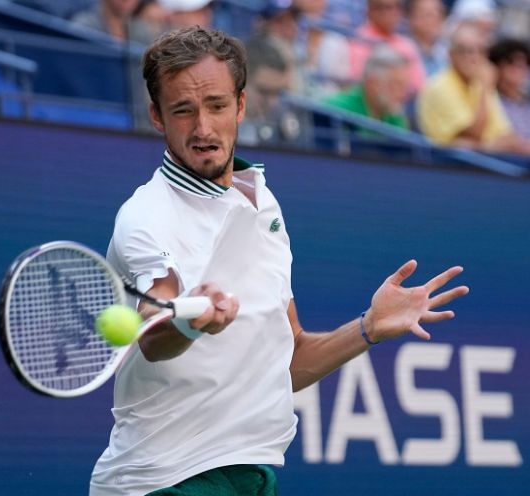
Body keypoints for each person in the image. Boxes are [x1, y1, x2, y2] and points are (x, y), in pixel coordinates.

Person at [90, 26, 469, 496]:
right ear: (157, 116)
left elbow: (288, 362)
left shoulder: (263, 203)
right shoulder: (145, 217)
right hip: (168, 483)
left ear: (241, 106)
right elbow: (155, 323)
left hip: (253, 475)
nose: (203, 128)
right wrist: (190, 322)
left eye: (217, 105)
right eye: (183, 110)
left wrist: (368, 326)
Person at [417, 22, 530, 154]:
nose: (474, 57)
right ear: (451, 54)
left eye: (480, 51)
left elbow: (503, 133)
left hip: (484, 162)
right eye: (466, 51)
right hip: (447, 165)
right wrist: (484, 87)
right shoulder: (440, 86)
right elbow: (470, 136)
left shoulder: (477, 84)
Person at [323, 44, 411, 131]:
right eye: (397, 84)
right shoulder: (338, 111)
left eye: (405, 86)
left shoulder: (395, 118)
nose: (403, 94)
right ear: (373, 84)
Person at [349, 0, 426, 95]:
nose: (390, 12)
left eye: (396, 6)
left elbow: (418, 86)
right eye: (382, 7)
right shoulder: (359, 40)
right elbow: (360, 82)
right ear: (369, 10)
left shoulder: (408, 44)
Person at [488, 38, 530, 141]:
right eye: (511, 62)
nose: (519, 67)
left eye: (525, 62)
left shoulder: (526, 101)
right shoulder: (488, 99)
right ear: (496, 66)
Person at [405, 0, 448, 77]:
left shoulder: (448, 49)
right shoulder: (403, 50)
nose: (427, 20)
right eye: (423, 14)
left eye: (432, 14)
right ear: (410, 17)